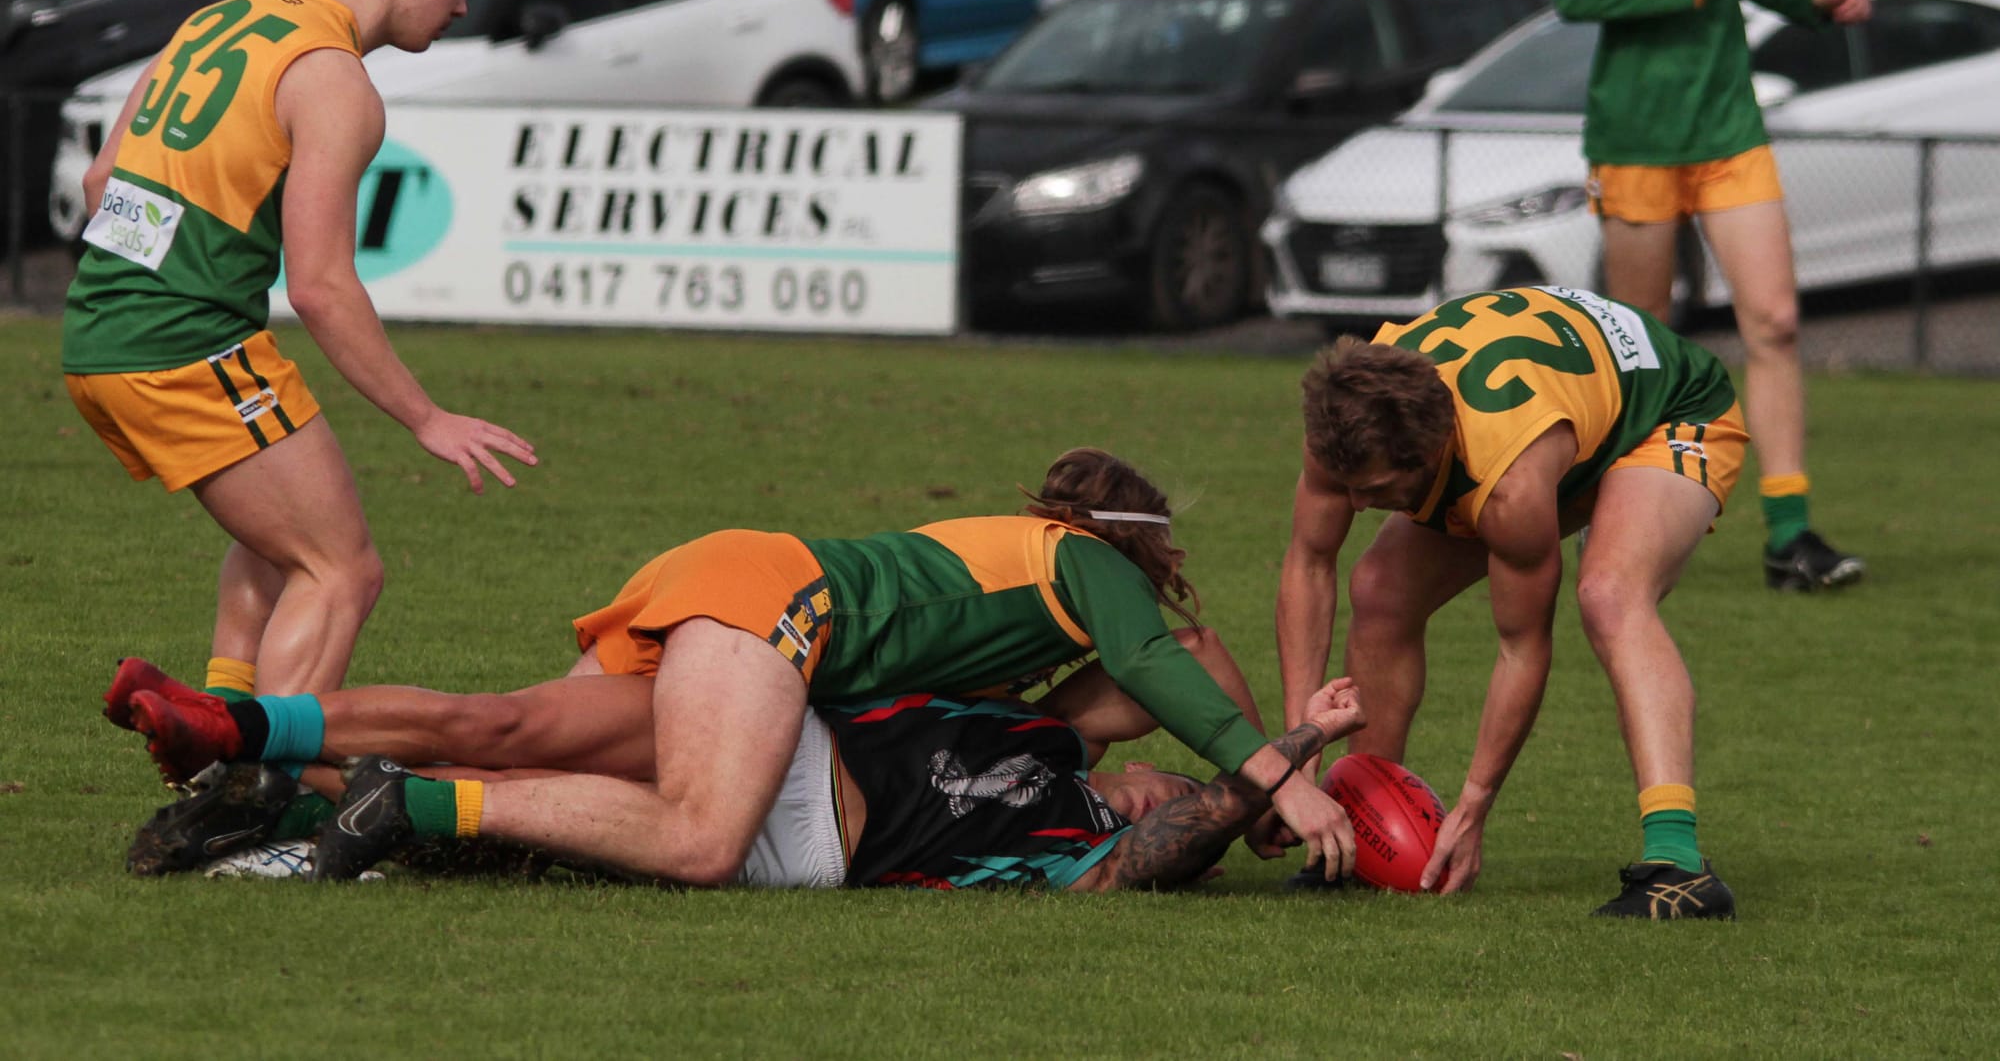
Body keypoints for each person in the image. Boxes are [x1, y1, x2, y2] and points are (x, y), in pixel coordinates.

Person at [111, 448, 1363, 884]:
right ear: (1122, 546)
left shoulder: (1014, 620)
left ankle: (238, 724)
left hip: (729, 576)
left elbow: (1113, 700)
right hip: (778, 608)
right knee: (704, 838)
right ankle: (407, 803)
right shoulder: (1081, 568)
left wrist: (1261, 765)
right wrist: (1280, 786)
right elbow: (1172, 656)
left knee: (497, 719)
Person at [62, 0, 537, 708]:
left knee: (278, 544)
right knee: (341, 571)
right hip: (185, 343)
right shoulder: (335, 82)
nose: (463, 3)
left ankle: (217, 751)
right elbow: (320, 286)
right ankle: (259, 804)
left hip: (97, 334)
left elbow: (104, 184)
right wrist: (427, 418)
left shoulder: (222, 19)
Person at [1273, 286, 1747, 919]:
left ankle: (1679, 866)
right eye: (1350, 488)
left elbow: (1521, 647)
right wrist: (1297, 764)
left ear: (1430, 451)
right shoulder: (1343, 427)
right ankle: (1365, 828)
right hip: (1562, 416)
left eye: (1378, 490)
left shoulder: (1508, 484)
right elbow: (1308, 566)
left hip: (1668, 414)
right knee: (1380, 590)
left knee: (1609, 594)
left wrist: (1474, 803)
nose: (1357, 506)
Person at [1555, 0, 1868, 592]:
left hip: (1729, 126)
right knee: (1646, 347)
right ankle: (1619, 521)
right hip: (1638, 136)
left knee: (1774, 321)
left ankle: (1789, 534)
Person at [125, 674, 1365, 892]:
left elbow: (1168, 851)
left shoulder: (1081, 853)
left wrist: (1275, 773)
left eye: (1195, 803)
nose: (1168, 793)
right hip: (778, 727)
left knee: (502, 806)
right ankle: (259, 760)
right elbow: (1165, 661)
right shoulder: (1065, 739)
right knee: (504, 731)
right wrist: (1262, 752)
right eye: (1182, 780)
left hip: (804, 837)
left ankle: (290, 789)